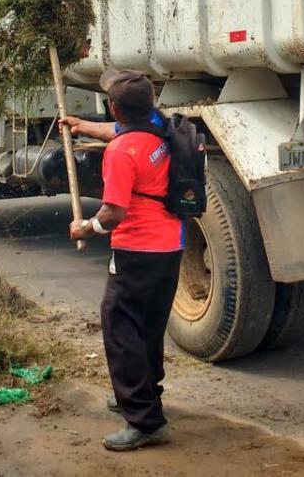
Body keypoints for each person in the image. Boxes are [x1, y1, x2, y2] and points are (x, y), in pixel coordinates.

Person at [63, 69, 182, 452]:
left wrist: (86, 227)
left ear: (113, 108)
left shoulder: (120, 153)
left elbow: (113, 212)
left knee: (120, 327)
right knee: (147, 326)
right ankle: (144, 395)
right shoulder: (159, 128)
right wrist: (81, 126)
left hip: (137, 250)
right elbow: (120, 132)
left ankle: (145, 422)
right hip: (171, 245)